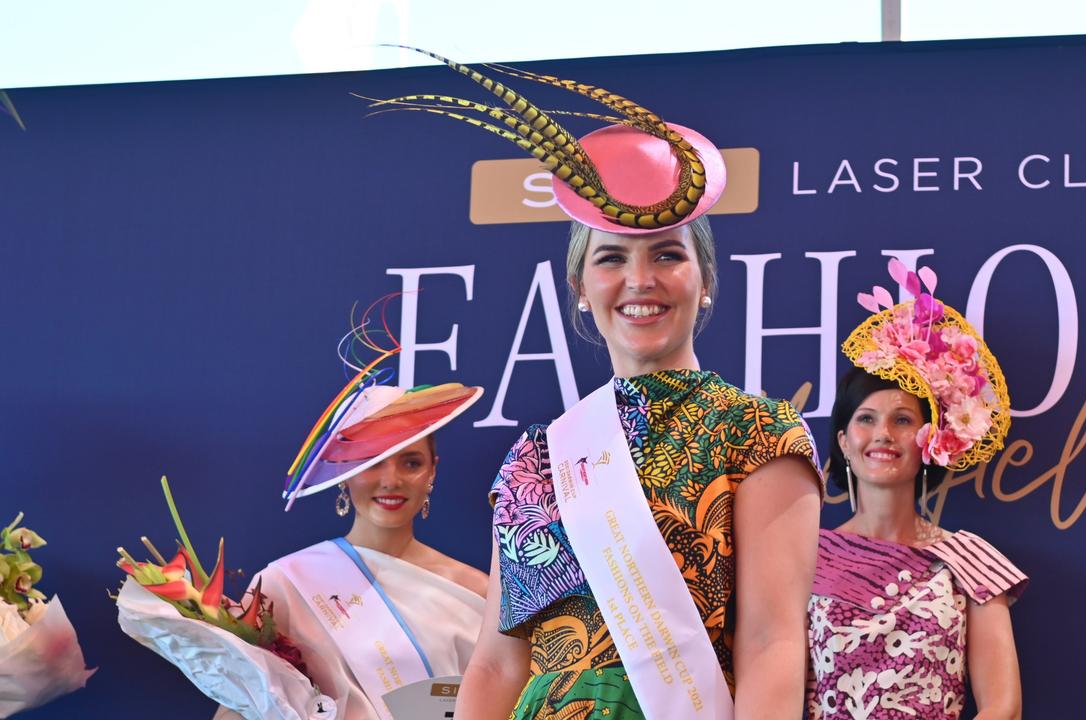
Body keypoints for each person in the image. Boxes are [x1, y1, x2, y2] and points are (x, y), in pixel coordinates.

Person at [382, 55, 824, 719]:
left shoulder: (758, 433)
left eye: (667, 255)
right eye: (612, 258)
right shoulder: (539, 457)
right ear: (581, 291)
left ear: (704, 282)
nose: (640, 279)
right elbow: (498, 661)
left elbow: (772, 641)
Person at [216, 300, 489, 720]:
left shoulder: (480, 593)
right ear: (343, 474)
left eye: (411, 462)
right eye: (371, 463)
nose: (391, 480)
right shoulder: (285, 585)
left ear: (433, 471)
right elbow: (238, 709)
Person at [807, 260, 1026, 719]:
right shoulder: (805, 558)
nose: (883, 434)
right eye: (865, 419)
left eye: (902, 420)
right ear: (844, 442)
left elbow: (1002, 707)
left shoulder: (968, 559)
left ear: (932, 441)